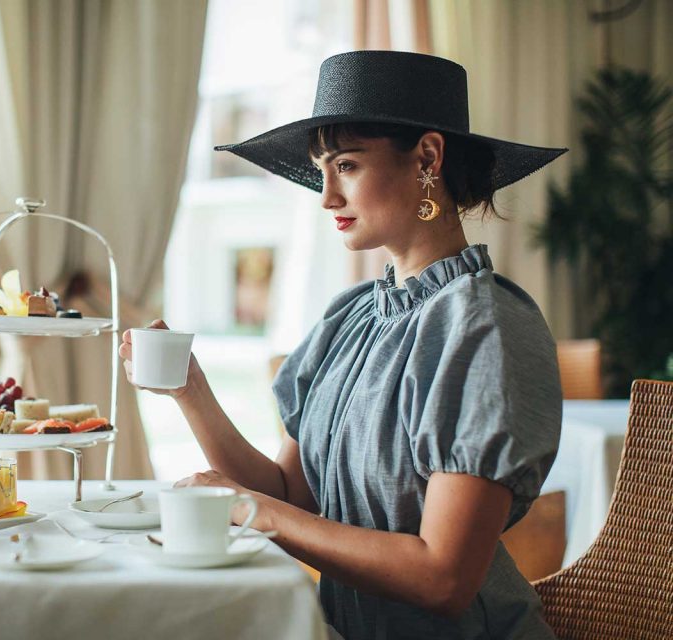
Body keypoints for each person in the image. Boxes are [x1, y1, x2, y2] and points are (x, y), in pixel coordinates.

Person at [119, 51, 566, 640]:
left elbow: (443, 578)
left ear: (428, 157)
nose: (327, 196)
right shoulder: (350, 318)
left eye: (347, 165)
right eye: (322, 171)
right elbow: (288, 494)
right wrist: (190, 389)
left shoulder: (485, 330)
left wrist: (251, 510)